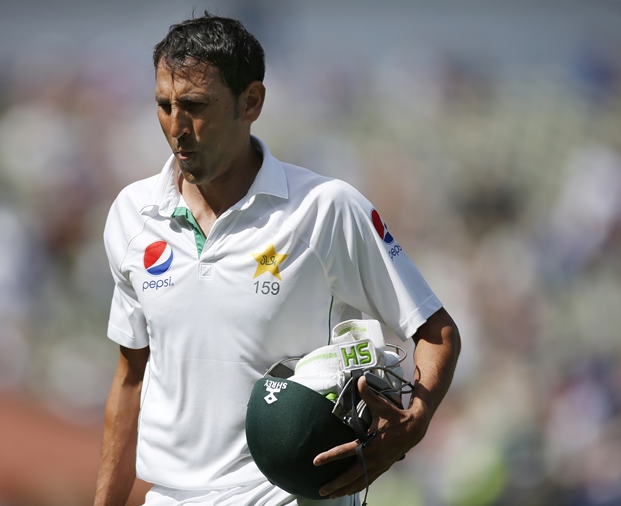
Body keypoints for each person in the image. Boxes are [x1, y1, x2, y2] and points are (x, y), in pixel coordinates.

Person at [94, 12, 460, 506]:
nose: (177, 128)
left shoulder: (326, 208)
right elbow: (131, 376)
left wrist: (411, 426)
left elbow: (436, 333)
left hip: (292, 496)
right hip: (171, 497)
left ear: (251, 102)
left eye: (196, 106)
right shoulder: (131, 215)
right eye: (164, 106)